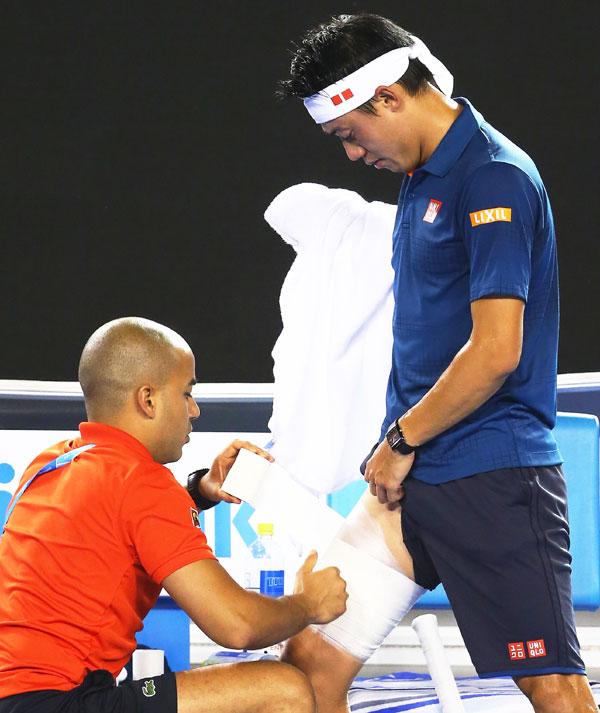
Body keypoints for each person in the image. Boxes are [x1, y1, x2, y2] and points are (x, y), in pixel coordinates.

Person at [278, 13, 596, 713]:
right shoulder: (423, 177)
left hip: (490, 474)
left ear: (389, 97)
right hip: (409, 483)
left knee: (555, 690)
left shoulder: (494, 178)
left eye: (349, 134)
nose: (353, 156)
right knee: (306, 666)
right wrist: (399, 445)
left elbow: (496, 350)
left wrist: (399, 440)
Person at [0, 317, 348, 713]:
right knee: (283, 689)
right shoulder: (142, 482)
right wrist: (308, 603)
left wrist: (202, 491)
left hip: (20, 696)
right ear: (148, 400)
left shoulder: (52, 461)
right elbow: (238, 625)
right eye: (186, 393)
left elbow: (117, 525)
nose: (195, 410)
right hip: (55, 703)